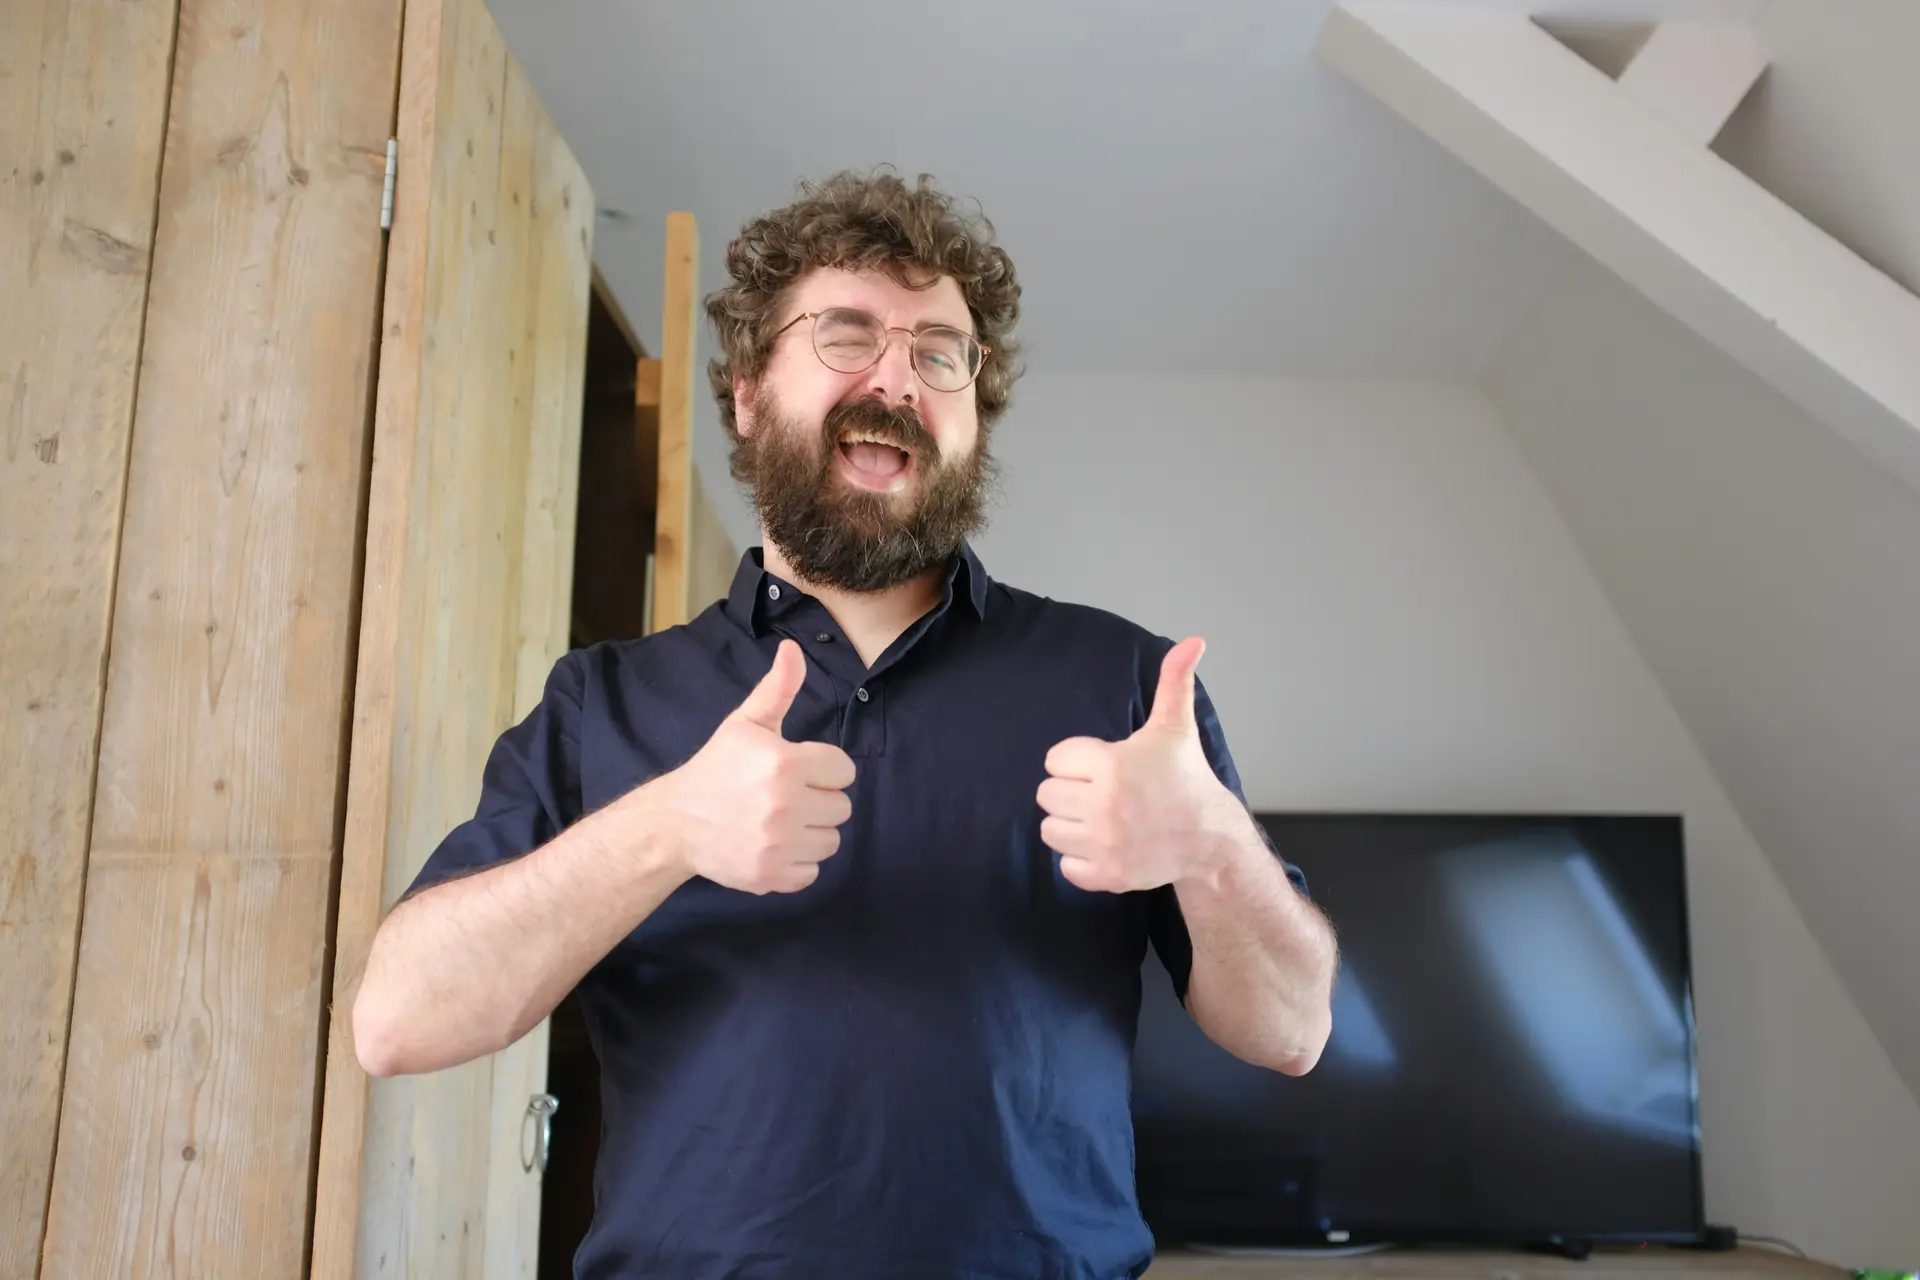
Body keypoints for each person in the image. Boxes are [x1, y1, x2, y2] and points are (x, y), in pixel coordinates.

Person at [352, 169, 1337, 1280]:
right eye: (847, 335)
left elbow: (1291, 1027)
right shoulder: (607, 702)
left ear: (974, 411)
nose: (897, 379)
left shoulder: (1127, 688)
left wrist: (1210, 847)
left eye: (939, 353)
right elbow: (398, 1020)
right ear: (743, 393)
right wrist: (668, 826)